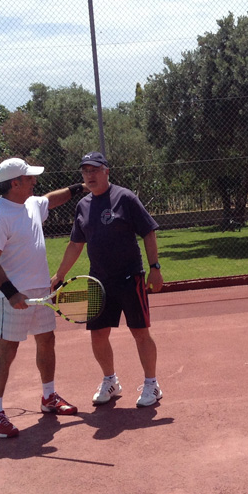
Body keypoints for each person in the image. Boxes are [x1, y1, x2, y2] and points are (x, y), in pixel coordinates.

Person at [0, 157, 85, 439]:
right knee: (8, 351)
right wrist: (10, 293)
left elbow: (51, 200)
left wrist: (79, 188)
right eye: (29, 178)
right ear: (15, 183)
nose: (34, 182)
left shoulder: (31, 204)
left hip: (41, 292)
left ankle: (49, 397)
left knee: (47, 340)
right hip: (14, 296)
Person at [54, 151, 165, 408]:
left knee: (140, 332)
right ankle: (110, 381)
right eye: (85, 171)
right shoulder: (83, 206)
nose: (89, 175)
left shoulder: (125, 198)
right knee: (98, 335)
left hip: (130, 277)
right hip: (99, 282)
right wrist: (59, 274)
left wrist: (155, 268)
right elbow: (75, 244)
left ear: (106, 171)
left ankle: (152, 384)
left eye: (94, 170)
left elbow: (148, 232)